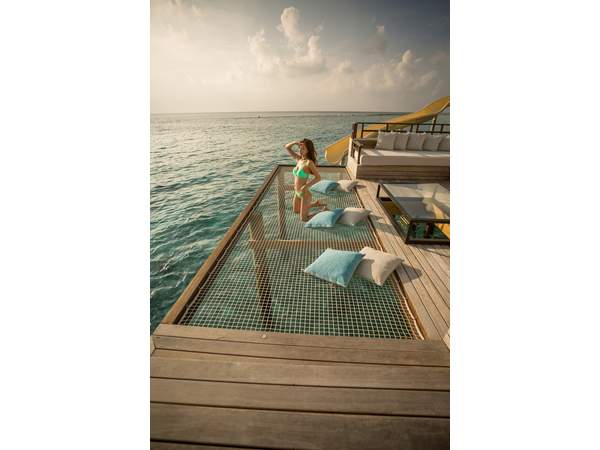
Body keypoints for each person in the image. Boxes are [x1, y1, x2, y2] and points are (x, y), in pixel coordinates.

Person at [284, 138, 326, 221]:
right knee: (296, 211)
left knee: (304, 219)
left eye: (303, 148)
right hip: (297, 192)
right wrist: (295, 142)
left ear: (308, 150)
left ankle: (323, 211)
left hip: (304, 193)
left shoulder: (309, 163)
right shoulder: (299, 159)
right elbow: (287, 147)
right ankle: (315, 204)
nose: (300, 150)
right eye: (300, 148)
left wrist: (306, 186)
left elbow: (318, 177)